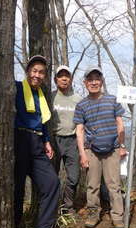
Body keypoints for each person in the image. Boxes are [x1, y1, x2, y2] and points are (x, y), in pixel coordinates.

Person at [73, 66, 127, 228]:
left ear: (102, 81)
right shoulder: (81, 105)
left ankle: (118, 217)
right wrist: (82, 154)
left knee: (114, 185)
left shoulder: (113, 100)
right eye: (90, 79)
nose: (94, 82)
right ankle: (93, 214)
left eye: (97, 79)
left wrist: (122, 146)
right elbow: (79, 130)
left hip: (112, 149)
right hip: (91, 150)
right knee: (93, 185)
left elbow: (120, 124)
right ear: (85, 83)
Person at [14, 55, 60, 228]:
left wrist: (46, 140)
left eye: (41, 72)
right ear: (28, 72)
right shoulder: (17, 88)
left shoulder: (42, 95)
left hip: (38, 143)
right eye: (34, 71)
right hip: (19, 140)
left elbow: (42, 121)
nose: (37, 75)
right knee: (17, 188)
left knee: (52, 182)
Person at [51, 65, 82, 212]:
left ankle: (67, 206)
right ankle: (53, 207)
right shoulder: (50, 96)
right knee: (51, 177)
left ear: (70, 79)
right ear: (56, 79)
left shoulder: (78, 99)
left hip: (72, 140)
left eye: (67, 76)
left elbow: (84, 123)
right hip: (53, 140)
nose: (64, 78)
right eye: (60, 76)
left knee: (74, 177)